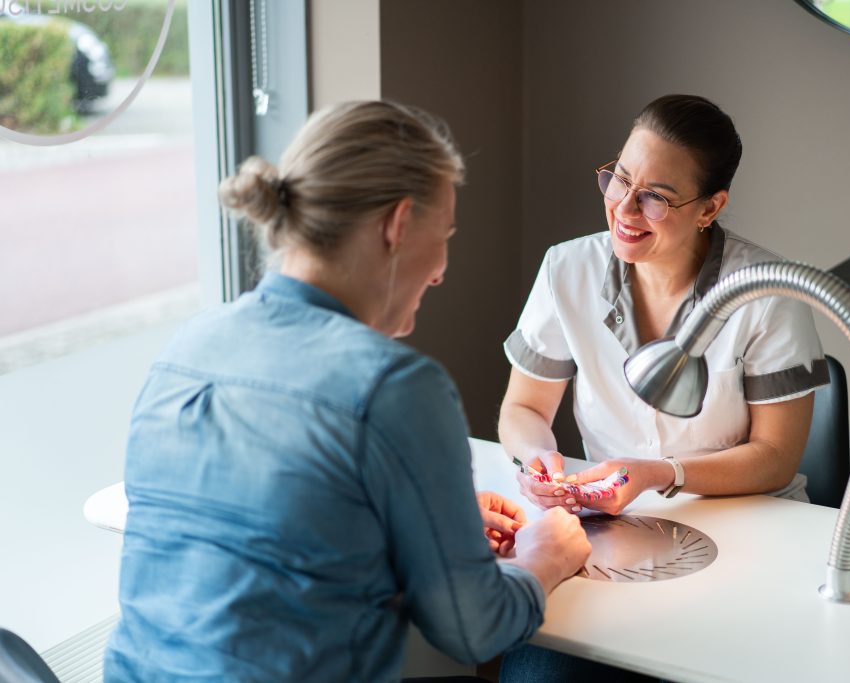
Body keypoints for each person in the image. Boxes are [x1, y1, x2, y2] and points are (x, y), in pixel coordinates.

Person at [103, 100, 590, 683]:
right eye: (445, 236)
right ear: (398, 224)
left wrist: (437, 524)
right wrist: (546, 556)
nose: (439, 271)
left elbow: (265, 541)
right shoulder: (397, 388)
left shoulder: (186, 346)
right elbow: (473, 630)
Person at [499, 94, 829, 519]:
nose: (624, 208)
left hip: (749, 518)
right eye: (620, 178)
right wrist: (536, 461)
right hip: (612, 520)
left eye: (656, 196)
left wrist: (658, 474)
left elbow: (775, 456)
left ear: (710, 208)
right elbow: (524, 408)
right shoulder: (566, 269)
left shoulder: (766, 292)